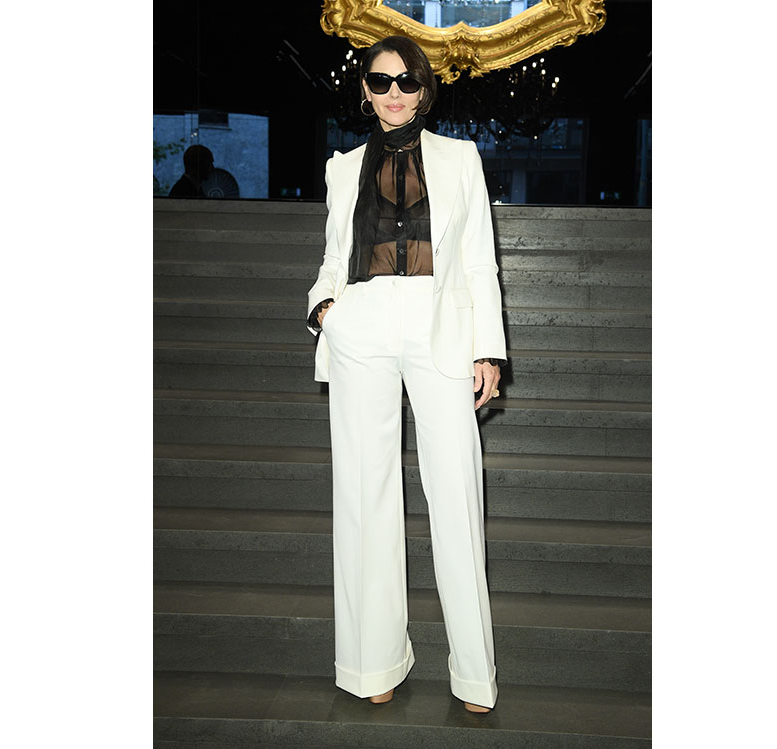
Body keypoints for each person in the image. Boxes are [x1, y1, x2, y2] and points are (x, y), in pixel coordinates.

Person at [305, 35, 506, 714]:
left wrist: (487, 350)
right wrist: (325, 309)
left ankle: (474, 674)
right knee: (365, 496)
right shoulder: (341, 168)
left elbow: (478, 260)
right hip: (361, 325)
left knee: (456, 493)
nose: (394, 92)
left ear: (425, 88)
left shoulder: (460, 159)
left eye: (407, 81)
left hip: (437, 326)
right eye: (380, 80)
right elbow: (334, 257)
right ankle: (372, 663)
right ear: (364, 89)